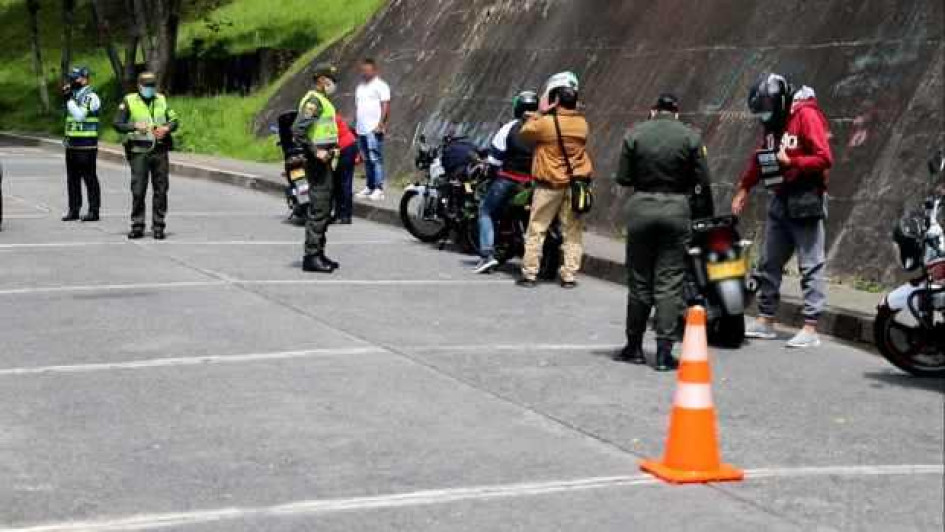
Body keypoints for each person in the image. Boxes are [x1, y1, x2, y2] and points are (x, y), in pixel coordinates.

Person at [732, 73, 833, 348]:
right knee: (769, 261)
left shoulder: (807, 115)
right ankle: (766, 319)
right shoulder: (774, 123)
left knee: (810, 263)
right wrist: (744, 187)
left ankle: (810, 327)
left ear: (782, 101)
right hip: (781, 197)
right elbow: (760, 156)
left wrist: (793, 160)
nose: (765, 119)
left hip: (806, 198)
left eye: (767, 112)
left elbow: (825, 157)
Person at [614, 94, 714, 371]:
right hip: (676, 210)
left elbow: (624, 177)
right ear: (677, 112)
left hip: (641, 208)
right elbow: (702, 180)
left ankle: (633, 346)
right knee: (669, 281)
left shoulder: (634, 134)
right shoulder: (690, 137)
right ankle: (663, 353)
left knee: (639, 281)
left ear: (653, 110)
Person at [517, 72, 593, 289]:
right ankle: (569, 275)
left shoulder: (545, 123)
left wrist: (540, 112)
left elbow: (525, 133)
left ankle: (530, 273)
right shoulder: (582, 124)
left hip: (548, 185)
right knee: (573, 231)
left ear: (556, 100)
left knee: (537, 229)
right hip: (574, 184)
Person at [473, 90, 540, 274]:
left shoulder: (509, 128)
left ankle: (486, 255)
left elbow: (494, 160)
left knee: (486, 211)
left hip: (509, 180)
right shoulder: (545, 127)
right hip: (536, 182)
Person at [113, 71, 179, 240]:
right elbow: (118, 124)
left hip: (160, 150)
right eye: (147, 86)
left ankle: (158, 226)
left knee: (161, 189)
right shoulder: (129, 101)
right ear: (139, 86)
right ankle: (137, 225)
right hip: (138, 152)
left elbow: (174, 120)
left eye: (152, 86)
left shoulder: (161, 99)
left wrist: (166, 128)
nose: (150, 89)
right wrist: (135, 126)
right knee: (138, 190)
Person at [292, 63, 342, 273]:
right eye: (331, 79)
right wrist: (315, 151)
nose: (333, 84)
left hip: (326, 161)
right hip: (317, 162)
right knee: (319, 208)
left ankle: (319, 252)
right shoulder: (314, 101)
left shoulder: (323, 101)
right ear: (321, 79)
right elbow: (298, 130)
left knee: (325, 207)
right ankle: (311, 256)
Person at [61, 66, 102, 222]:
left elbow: (79, 116)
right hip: (72, 144)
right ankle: (74, 209)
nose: (72, 81)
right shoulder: (74, 95)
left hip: (87, 145)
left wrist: (69, 99)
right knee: (72, 179)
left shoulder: (91, 97)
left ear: (84, 79)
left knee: (89, 177)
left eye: (75, 78)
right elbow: (70, 121)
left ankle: (94, 210)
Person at [354, 58, 391, 201]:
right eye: (363, 70)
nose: (365, 73)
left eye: (368, 70)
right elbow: (358, 107)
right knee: (367, 159)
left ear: (375, 70)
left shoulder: (381, 86)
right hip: (361, 129)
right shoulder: (360, 87)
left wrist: (381, 124)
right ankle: (369, 186)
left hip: (373, 129)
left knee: (375, 158)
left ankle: (379, 189)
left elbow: (386, 106)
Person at [331, 113, 358, 225]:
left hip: (345, 148)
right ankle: (339, 214)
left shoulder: (329, 119)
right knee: (338, 182)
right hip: (347, 146)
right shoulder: (332, 116)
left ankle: (346, 215)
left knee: (344, 182)